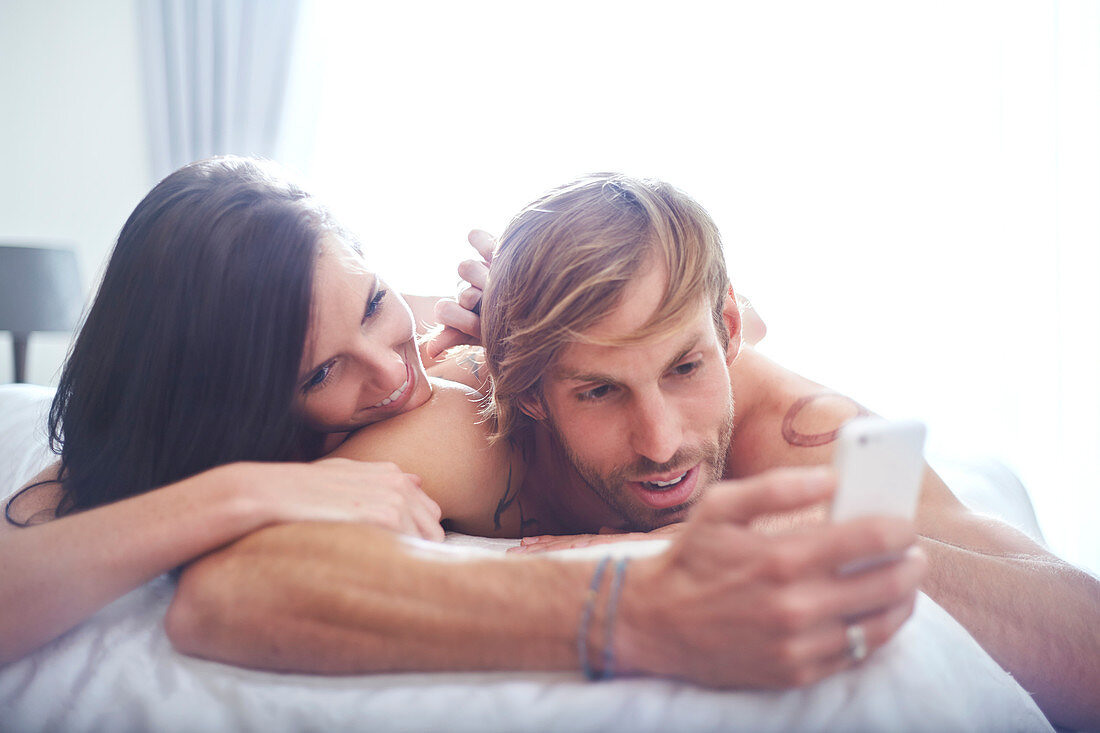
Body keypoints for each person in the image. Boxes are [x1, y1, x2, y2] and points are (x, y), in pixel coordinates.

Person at [168, 173, 1100, 731]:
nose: (662, 442)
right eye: (600, 391)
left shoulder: (802, 436)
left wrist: (817, 532)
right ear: (531, 392)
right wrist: (626, 600)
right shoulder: (476, 423)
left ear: (729, 329)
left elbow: (1084, 642)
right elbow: (228, 587)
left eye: (687, 366)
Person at [0, 155, 493, 664]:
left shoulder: (457, 322)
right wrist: (240, 493)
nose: (390, 373)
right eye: (320, 374)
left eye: (373, 305)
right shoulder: (183, 445)